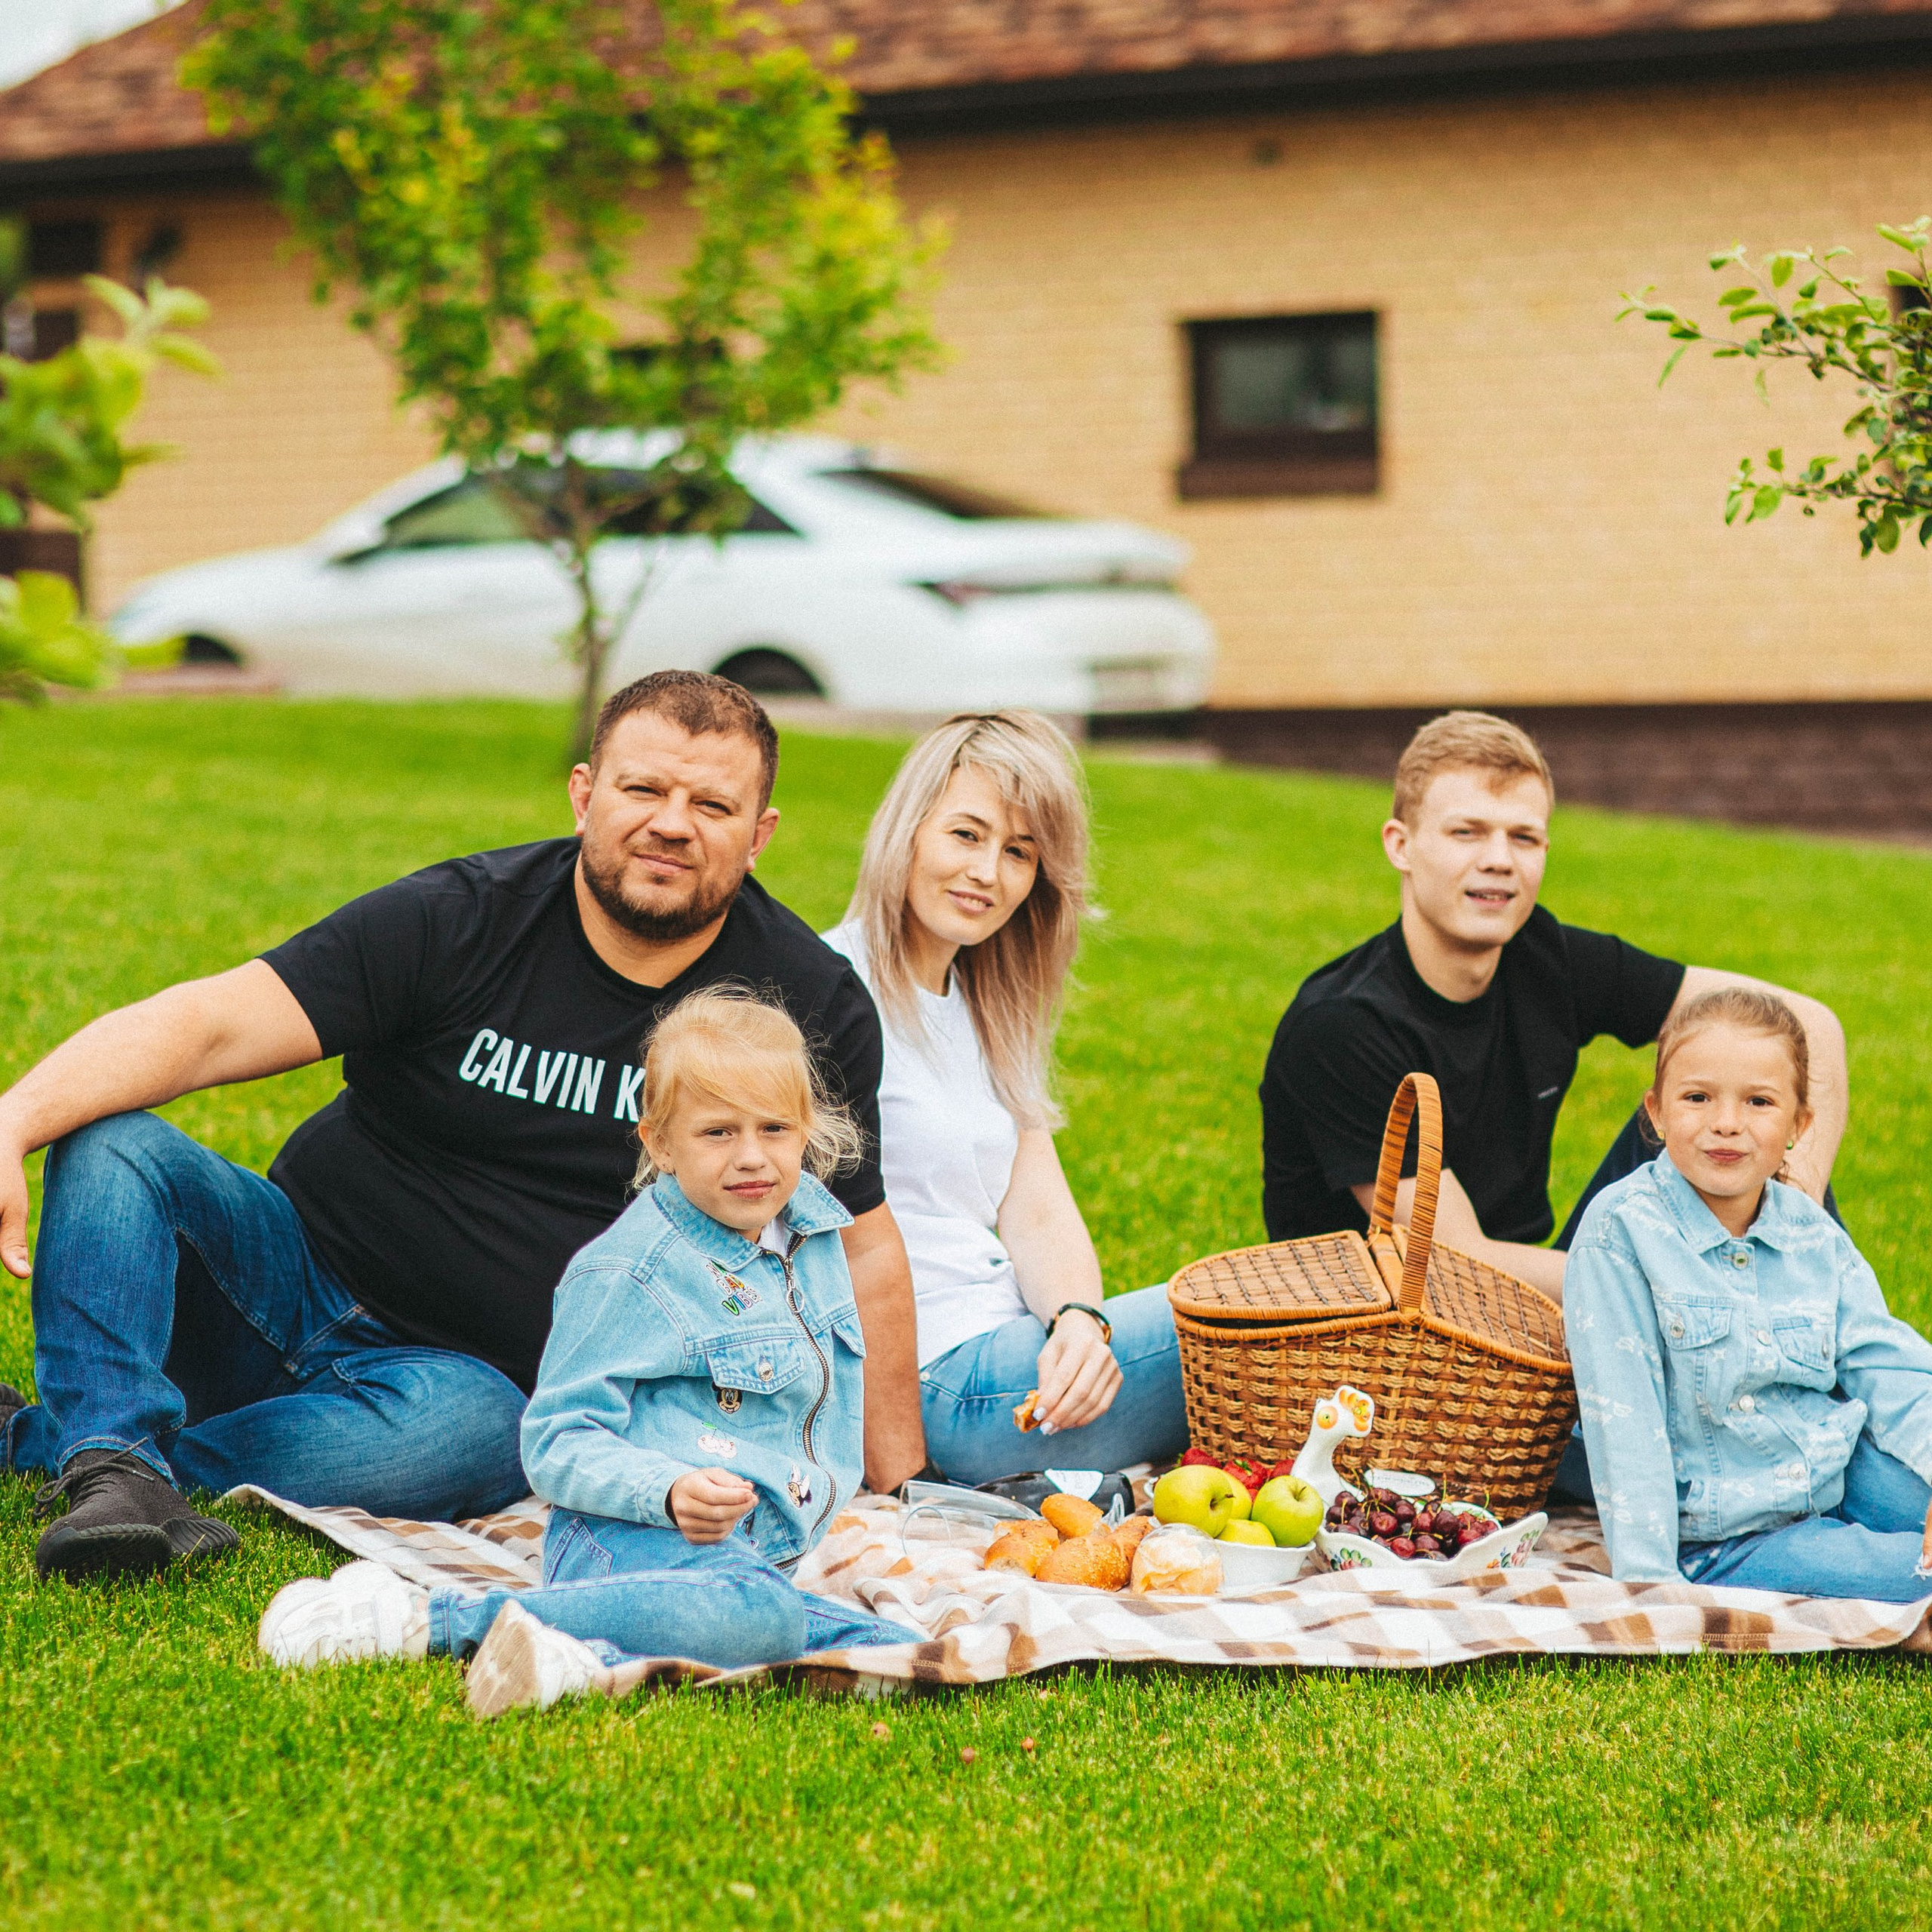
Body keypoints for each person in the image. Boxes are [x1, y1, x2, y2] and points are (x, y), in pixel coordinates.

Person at [0, 671, 923, 1584]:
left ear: (758, 836)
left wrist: (897, 1480)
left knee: (472, 1444)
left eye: (710, 805)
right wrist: (13, 1119)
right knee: (113, 1140)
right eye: (642, 788)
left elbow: (860, 1241)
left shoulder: (798, 1002)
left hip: (462, 1383)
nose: (671, 823)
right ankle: (113, 1465)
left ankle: (68, 1448)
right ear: (584, 794)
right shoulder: (460, 918)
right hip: (283, 1274)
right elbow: (211, 1025)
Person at [257, 989, 920, 1694]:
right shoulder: (631, 1273)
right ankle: (425, 1622)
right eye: (718, 1133)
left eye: (775, 1129)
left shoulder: (814, 1238)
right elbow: (555, 1441)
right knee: (765, 1623)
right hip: (624, 1537)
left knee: (896, 1646)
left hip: (746, 1562)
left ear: (808, 1130)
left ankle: (579, 1659)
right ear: (659, 1142)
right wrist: (667, 1491)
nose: (752, 1157)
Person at [1258, 710, 1847, 1301]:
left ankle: (1823, 1336)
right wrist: (1689, 1276)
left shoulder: (1546, 957)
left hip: (1540, 1282)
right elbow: (1458, 1262)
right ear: (1401, 845)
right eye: (1467, 832)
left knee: (1743, 1127)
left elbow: (1809, 1025)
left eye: (1524, 837)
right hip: (1388, 1331)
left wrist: (1795, 1208)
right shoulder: (1344, 1024)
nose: (1499, 859)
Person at [823, 711, 1188, 1486]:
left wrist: (1078, 1323)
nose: (988, 871)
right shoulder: (826, 989)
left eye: (1018, 852)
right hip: (933, 1388)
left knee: (1289, 1326)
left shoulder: (985, 1007)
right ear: (908, 830)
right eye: (966, 834)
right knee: (1249, 1322)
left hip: (1016, 1363)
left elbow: (1038, 1212)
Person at [1565, 986, 1932, 1601]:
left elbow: (1889, 1365)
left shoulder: (1812, 1234)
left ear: (1798, 1125)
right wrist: (1650, 1589)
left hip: (1835, 1470)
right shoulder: (1621, 1232)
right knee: (1917, 1576)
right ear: (1655, 1113)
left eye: (1759, 1102)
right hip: (1733, 1531)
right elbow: (1623, 1420)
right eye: (1697, 1097)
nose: (1727, 1123)